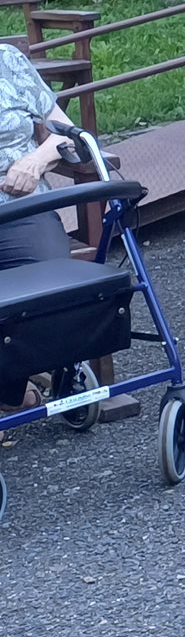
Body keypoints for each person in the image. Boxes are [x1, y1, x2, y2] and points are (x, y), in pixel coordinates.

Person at [0, 42, 85, 410]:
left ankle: (10, 388)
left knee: (48, 276)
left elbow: (66, 133)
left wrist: (35, 161)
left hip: (21, 207)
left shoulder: (7, 60)